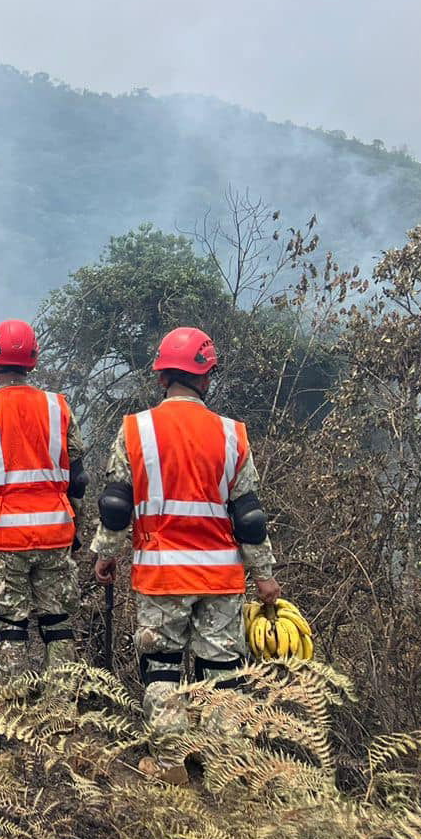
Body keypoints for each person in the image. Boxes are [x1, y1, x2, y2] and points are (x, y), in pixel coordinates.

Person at [90, 327, 281, 778]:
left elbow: (116, 505)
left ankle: (171, 762)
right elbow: (248, 515)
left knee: (161, 669)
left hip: (162, 577)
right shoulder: (232, 435)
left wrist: (105, 553)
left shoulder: (135, 429)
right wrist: (265, 575)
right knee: (223, 673)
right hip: (220, 578)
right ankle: (222, 766)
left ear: (162, 379)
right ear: (207, 377)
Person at [0, 320, 86, 680]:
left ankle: (15, 707)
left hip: (2, 538)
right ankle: (61, 706)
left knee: (9, 625)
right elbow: (79, 481)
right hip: (56, 534)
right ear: (33, 360)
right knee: (57, 622)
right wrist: (77, 529)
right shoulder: (59, 407)